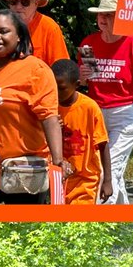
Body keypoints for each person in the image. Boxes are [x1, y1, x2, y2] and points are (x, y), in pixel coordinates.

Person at [0, 10, 65, 204]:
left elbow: (49, 118)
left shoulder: (35, 69)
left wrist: (58, 162)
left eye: (4, 31)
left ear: (19, 36)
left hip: (23, 174)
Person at [78, 0, 133, 204]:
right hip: (96, 114)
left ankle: (99, 223)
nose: (103, 19)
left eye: (109, 15)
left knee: (109, 169)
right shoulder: (89, 43)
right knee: (112, 170)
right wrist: (81, 77)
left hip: (126, 114)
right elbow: (82, 83)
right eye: (101, 15)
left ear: (123, 18)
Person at [53, 59, 112, 204]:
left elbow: (103, 145)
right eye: (53, 87)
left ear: (77, 85)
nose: (57, 92)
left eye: (62, 88)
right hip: (56, 179)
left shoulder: (89, 108)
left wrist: (108, 181)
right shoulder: (48, 107)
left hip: (85, 180)